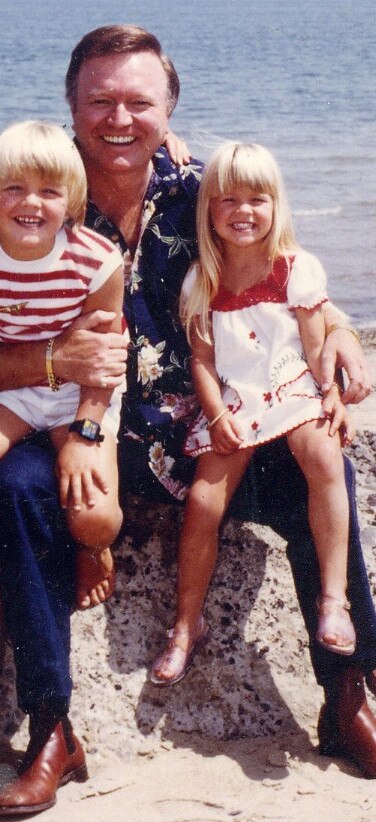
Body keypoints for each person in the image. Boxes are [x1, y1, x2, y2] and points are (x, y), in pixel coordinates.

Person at [0, 25, 376, 817]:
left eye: (138, 102)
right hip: (78, 437)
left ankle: (348, 691)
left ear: (169, 109)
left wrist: (347, 339)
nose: (119, 119)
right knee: (15, 488)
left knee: (324, 464)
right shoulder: (30, 193)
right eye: (100, 101)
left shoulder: (203, 193)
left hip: (208, 439)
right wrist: (54, 365)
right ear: (71, 106)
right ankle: (53, 729)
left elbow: (292, 282)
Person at [0, 120, 125, 698]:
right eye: (13, 188)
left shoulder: (97, 259)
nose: (30, 204)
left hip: (78, 393)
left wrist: (85, 431)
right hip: (12, 391)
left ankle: (94, 551)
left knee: (94, 516)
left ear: (72, 202)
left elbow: (107, 360)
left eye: (49, 192)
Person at [149, 141, 357, 689]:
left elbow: (316, 350)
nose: (242, 211)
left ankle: (334, 600)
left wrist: (331, 393)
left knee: (323, 454)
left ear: (276, 205)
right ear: (208, 209)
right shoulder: (203, 279)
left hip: (291, 384)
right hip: (237, 399)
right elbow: (203, 359)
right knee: (202, 500)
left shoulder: (294, 269)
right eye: (227, 200)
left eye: (257, 199)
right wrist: (216, 416)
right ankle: (185, 626)